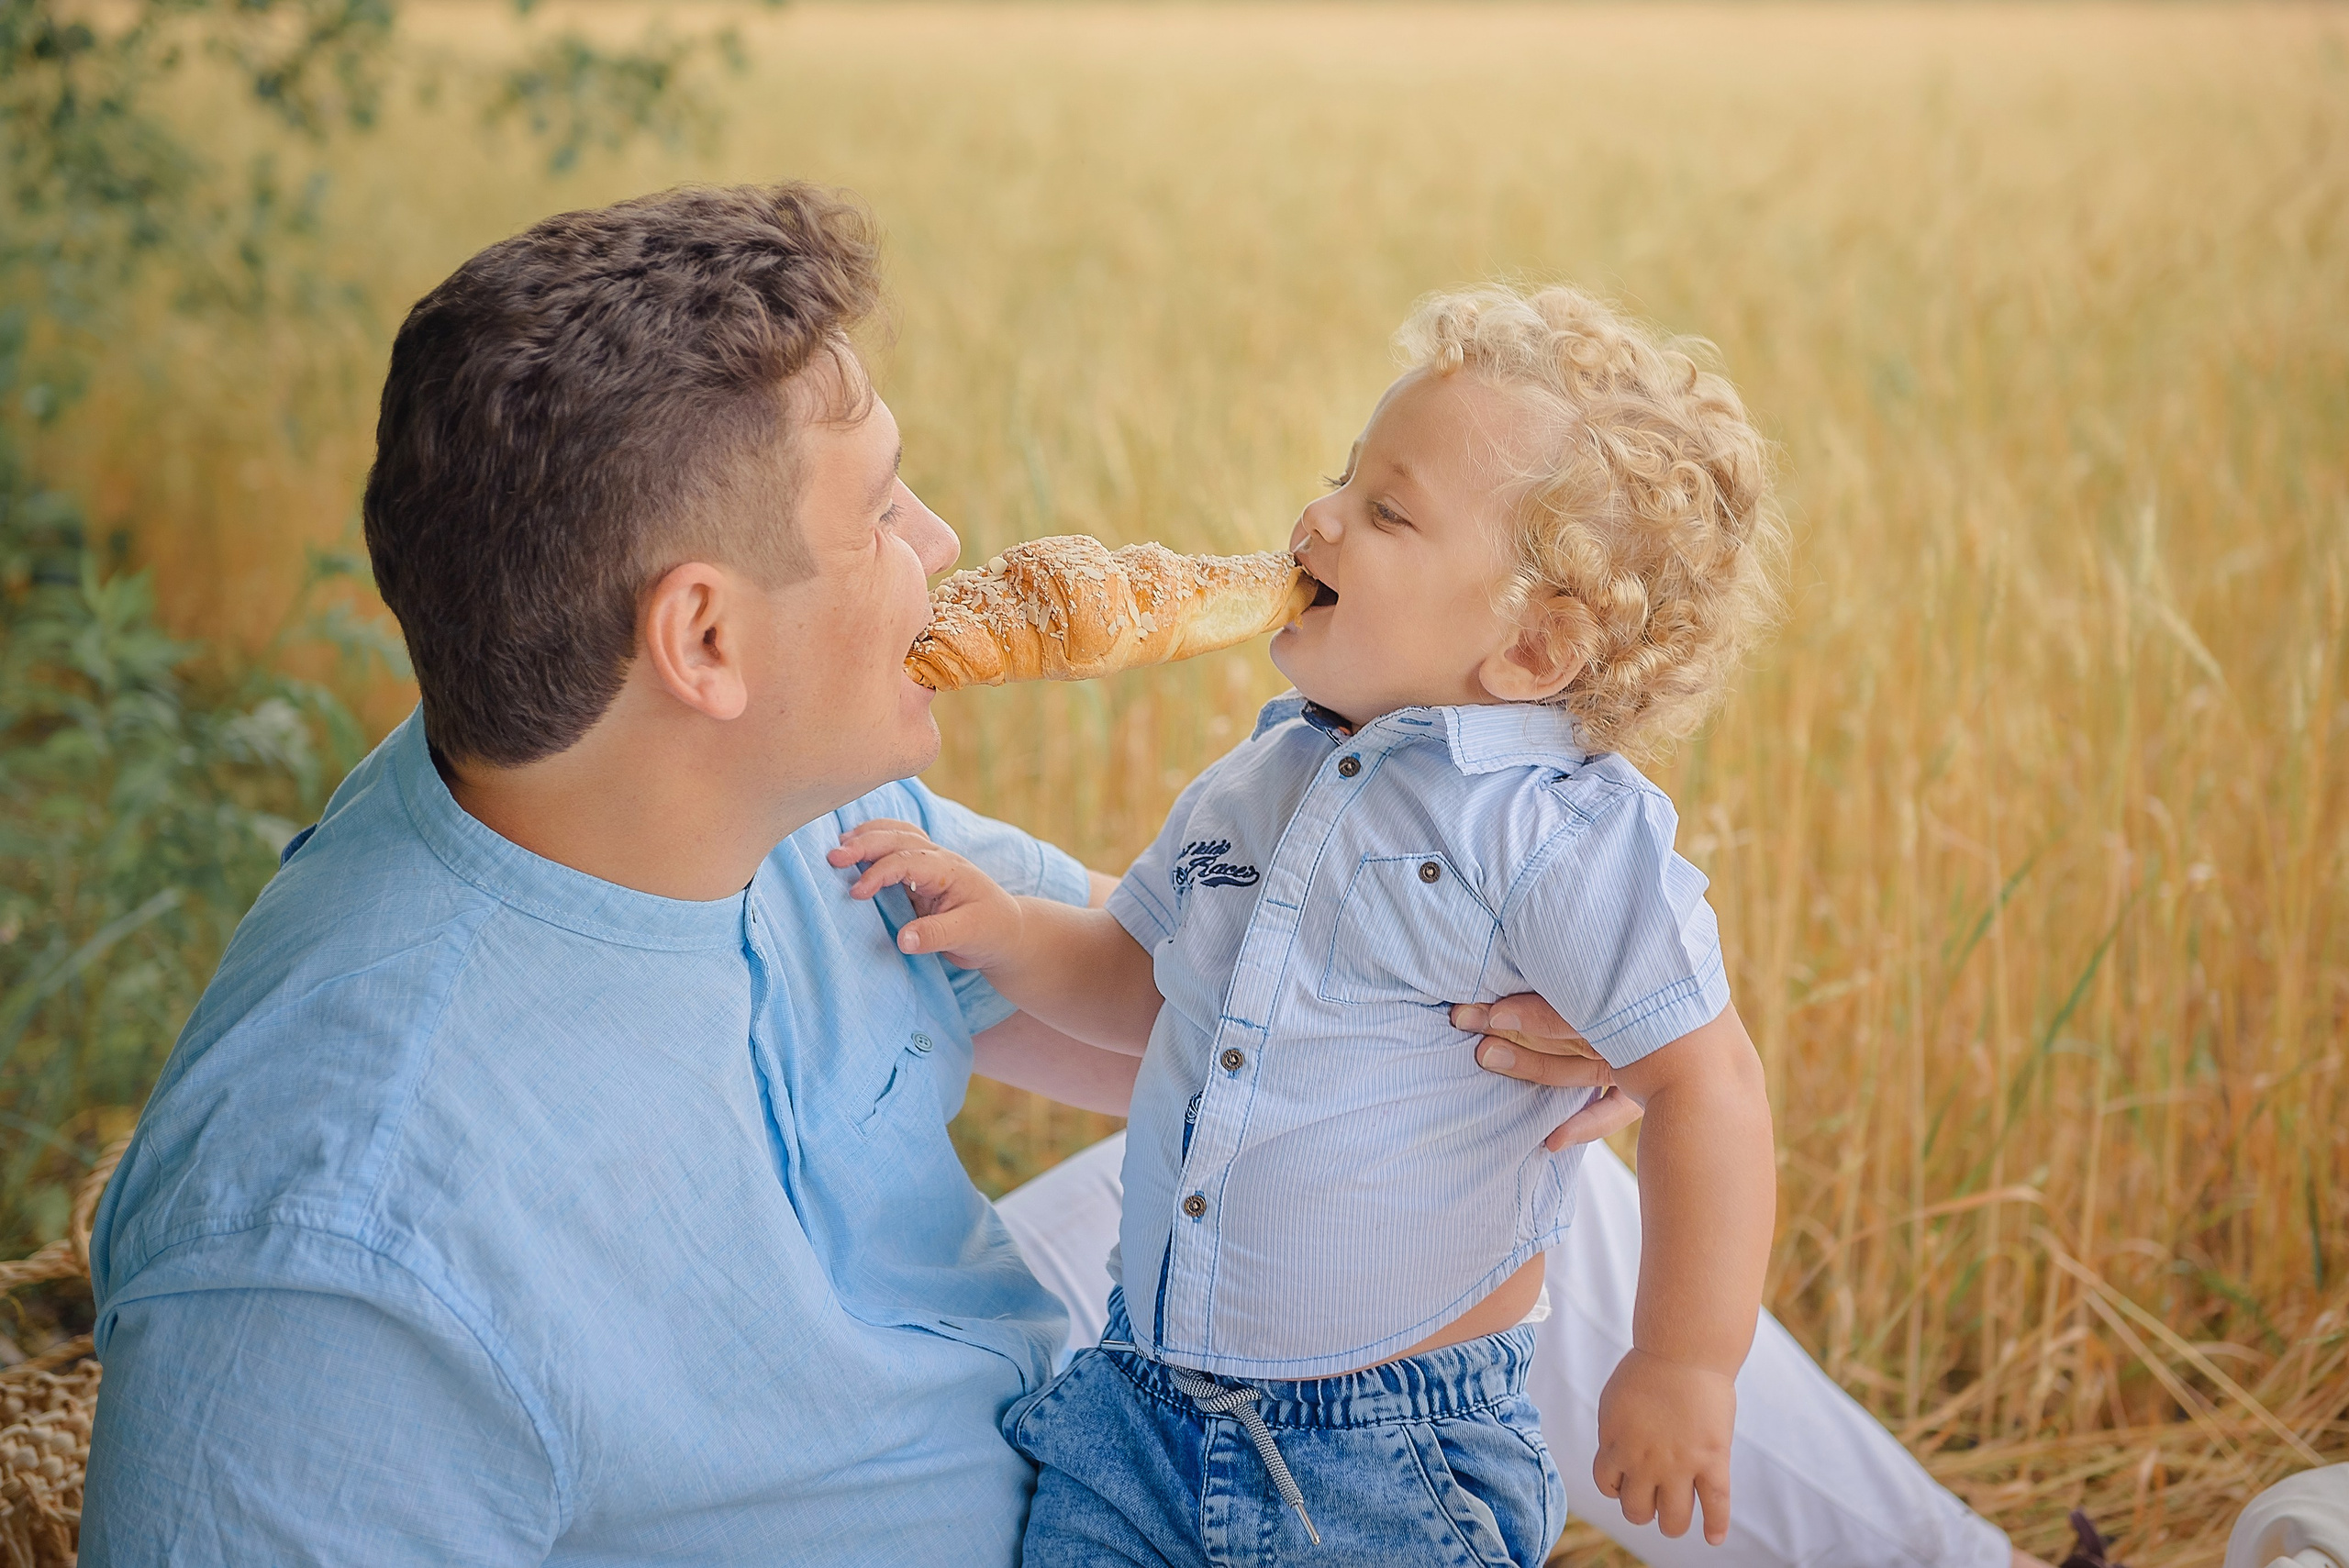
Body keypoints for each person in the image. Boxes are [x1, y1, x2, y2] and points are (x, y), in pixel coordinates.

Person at [80, 182, 2039, 1568]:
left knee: (1552, 1210)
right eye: (879, 512)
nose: (949, 545)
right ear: (704, 639)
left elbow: (1184, 1010)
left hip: (1073, 1405)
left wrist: (1522, 1036)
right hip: (1060, 1493)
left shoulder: (721, 795)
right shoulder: (338, 1249)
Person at [830, 284, 1779, 1565]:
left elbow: (1707, 1080)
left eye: (1387, 511)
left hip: (1384, 1448)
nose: (1318, 518)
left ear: (1534, 647)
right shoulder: (1261, 778)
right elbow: (1147, 985)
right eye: (1344, 478)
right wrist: (1005, 930)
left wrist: (1683, 1362)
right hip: (1140, 1402)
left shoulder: (1555, 831)